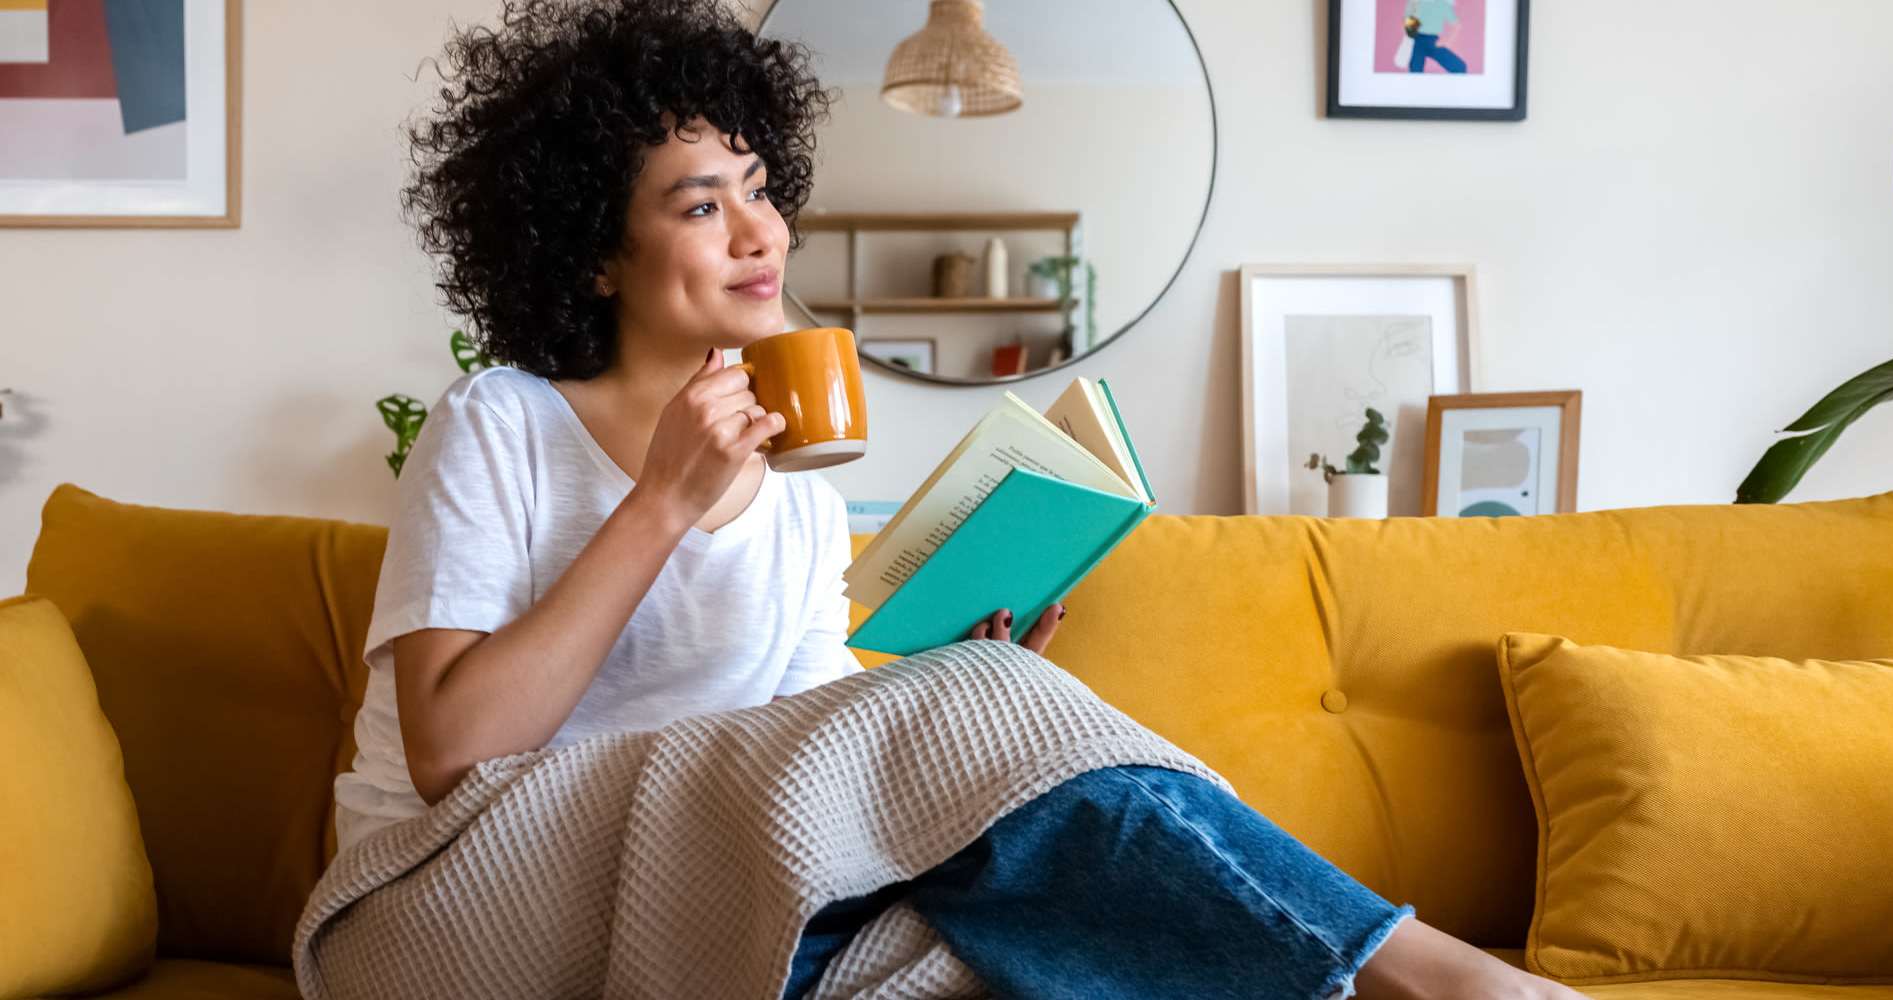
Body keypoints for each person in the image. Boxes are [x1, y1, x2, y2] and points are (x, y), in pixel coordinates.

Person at [331, 1, 1585, 997]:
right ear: (594, 253)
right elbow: (453, 753)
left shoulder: (794, 487)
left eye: (759, 188)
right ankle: (1428, 973)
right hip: (443, 907)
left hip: (682, 897)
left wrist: (953, 672)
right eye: (699, 204)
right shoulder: (501, 423)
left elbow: (801, 762)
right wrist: (658, 504)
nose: (757, 232)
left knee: (984, 958)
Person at [1405, 0, 1469, 73]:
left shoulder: (1443, 4)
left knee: (1459, 67)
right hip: (1418, 40)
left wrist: (1446, 41)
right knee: (1415, 71)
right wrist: (1413, 7)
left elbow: (1457, 26)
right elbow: (1410, 31)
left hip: (1432, 41)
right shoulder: (1415, 3)